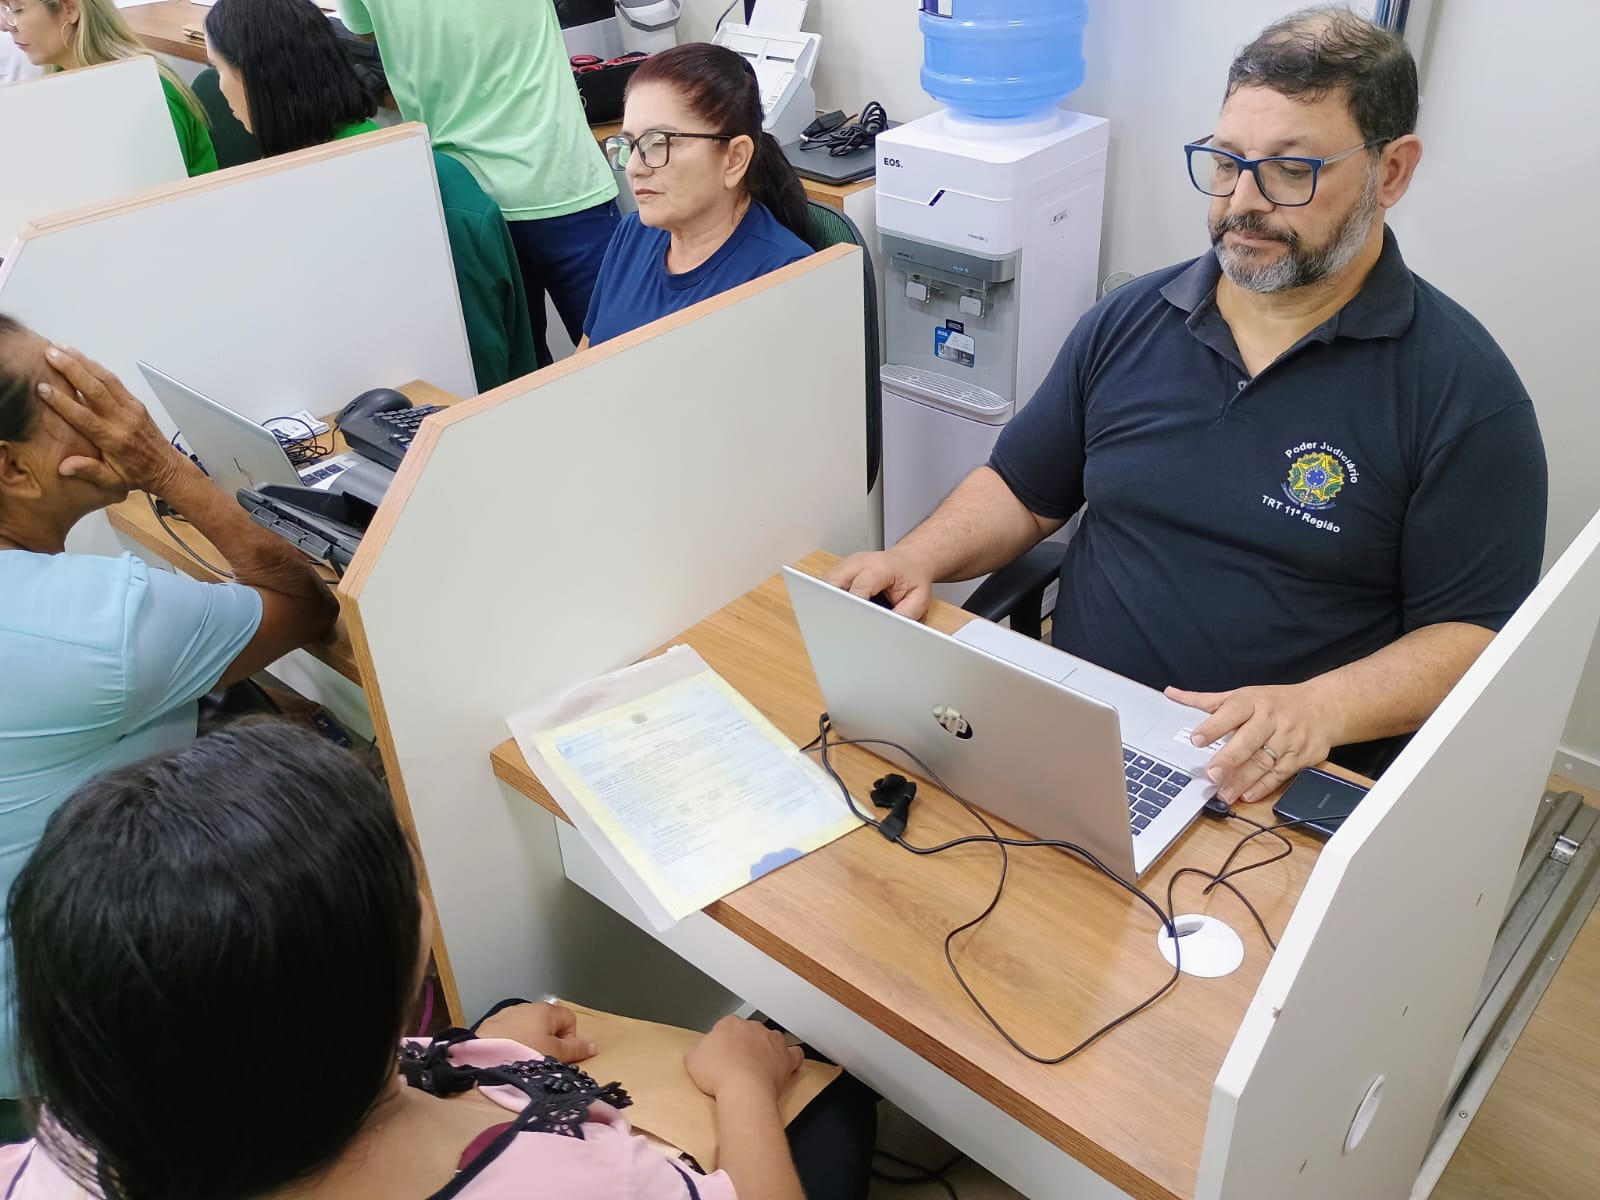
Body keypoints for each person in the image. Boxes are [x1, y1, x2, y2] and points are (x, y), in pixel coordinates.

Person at [828, 8, 1547, 801]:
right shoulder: (1131, 319)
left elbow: (1472, 636)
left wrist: (1319, 708)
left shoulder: (1463, 396)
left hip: (1266, 781)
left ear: (1393, 172)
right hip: (1070, 726)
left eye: (1290, 169)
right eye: (1225, 161)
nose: (1243, 200)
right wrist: (915, 557)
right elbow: (1022, 489)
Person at [0, 721, 872, 1200]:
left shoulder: (69, 1139)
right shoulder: (575, 1181)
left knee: (502, 1007)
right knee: (834, 1113)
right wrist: (745, 1084)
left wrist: (493, 1045)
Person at [0, 325, 338, 1121]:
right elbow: (303, 603)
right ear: (12, 469)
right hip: (66, 1031)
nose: (111, 412)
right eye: (76, 401)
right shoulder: (95, 629)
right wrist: (161, 465)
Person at [203, 0, 537, 393]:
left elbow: (477, 370)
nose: (220, 90)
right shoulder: (305, 180)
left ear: (253, 77)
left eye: (218, 69)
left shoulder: (420, 185)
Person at [336, 0, 620, 368]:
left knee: (517, 396)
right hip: (559, 182)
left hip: (467, 202)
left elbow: (364, 30)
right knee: (628, 365)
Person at [581, 43, 814, 349]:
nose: (634, 168)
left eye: (658, 142)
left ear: (734, 159)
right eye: (627, 144)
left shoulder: (785, 279)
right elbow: (581, 365)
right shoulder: (632, 234)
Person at [2, 0, 215, 175]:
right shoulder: (61, 79)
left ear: (69, 9)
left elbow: (153, 210)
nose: (6, 25)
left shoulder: (146, 95)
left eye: (17, 9)